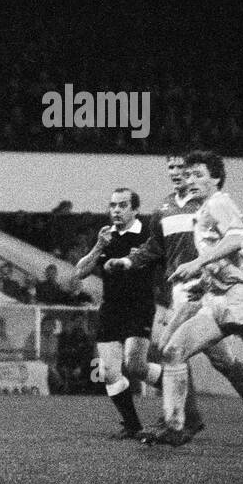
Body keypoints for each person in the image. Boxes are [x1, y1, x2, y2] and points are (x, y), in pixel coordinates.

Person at [106, 153, 243, 447]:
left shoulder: (211, 202)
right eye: (174, 169)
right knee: (221, 360)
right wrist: (127, 261)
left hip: (208, 290)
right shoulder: (164, 209)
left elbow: (242, 236)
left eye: (184, 169)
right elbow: (154, 247)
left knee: (168, 347)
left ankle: (181, 420)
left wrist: (233, 260)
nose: (179, 174)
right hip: (188, 290)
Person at [74, 188, 156, 439]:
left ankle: (183, 402)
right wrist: (99, 246)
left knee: (135, 365)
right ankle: (133, 426)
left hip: (139, 306)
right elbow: (80, 272)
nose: (116, 210)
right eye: (112, 205)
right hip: (111, 308)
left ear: (135, 209)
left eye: (122, 205)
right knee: (109, 372)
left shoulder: (148, 233)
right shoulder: (106, 237)